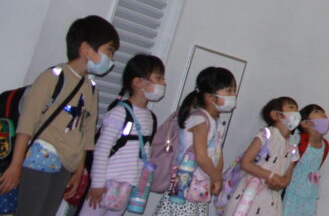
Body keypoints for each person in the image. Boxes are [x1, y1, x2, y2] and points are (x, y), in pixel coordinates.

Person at [0, 15, 120, 216]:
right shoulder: (53, 77)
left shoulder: (91, 89)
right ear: (85, 48)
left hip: (66, 164)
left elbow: (86, 134)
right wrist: (15, 165)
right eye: (109, 50)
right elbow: (26, 123)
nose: (111, 59)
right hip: (40, 157)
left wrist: (79, 169)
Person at [80, 54, 166, 215]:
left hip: (127, 186)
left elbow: (144, 152)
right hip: (105, 183)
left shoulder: (150, 117)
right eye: (158, 78)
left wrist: (139, 182)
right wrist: (97, 184)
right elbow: (102, 149)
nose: (164, 83)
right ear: (138, 82)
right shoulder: (119, 112)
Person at [152, 67, 237, 216]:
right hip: (185, 189)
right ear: (210, 97)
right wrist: (217, 177)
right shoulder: (200, 119)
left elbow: (217, 153)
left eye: (234, 91)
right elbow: (201, 157)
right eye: (229, 91)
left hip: (200, 188)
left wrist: (216, 177)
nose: (234, 95)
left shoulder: (216, 122)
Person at [225, 97, 301, 215]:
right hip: (251, 191)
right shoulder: (267, 134)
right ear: (275, 115)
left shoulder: (293, 145)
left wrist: (283, 183)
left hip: (271, 197)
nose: (296, 112)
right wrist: (270, 175)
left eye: (297, 109)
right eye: (291, 107)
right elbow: (245, 163)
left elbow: (288, 174)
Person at [283, 104, 329, 216]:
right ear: (305, 123)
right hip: (291, 192)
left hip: (309, 195)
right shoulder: (297, 140)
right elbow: (285, 163)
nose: (323, 115)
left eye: (324, 113)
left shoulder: (325, 145)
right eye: (317, 112)